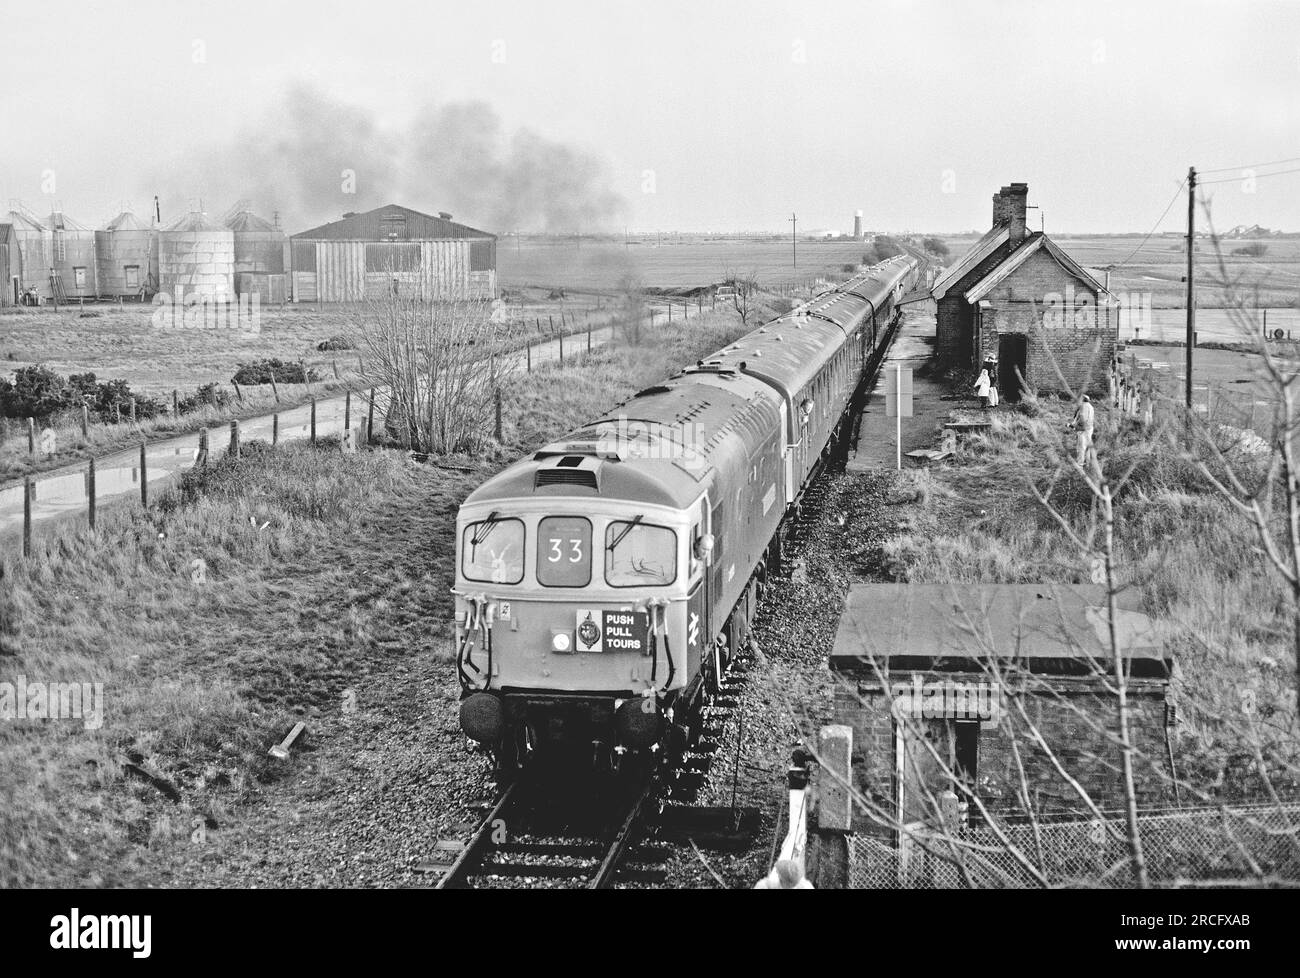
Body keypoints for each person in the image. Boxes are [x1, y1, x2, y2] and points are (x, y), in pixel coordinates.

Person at [1071, 394, 1096, 464]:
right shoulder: (1091, 407)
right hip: (1089, 428)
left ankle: (1080, 463)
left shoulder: (1083, 406)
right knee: (1087, 446)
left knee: (1081, 447)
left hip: (1083, 429)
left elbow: (1082, 418)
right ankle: (1087, 462)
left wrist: (1075, 425)